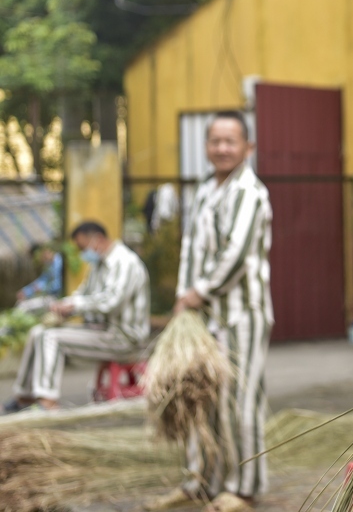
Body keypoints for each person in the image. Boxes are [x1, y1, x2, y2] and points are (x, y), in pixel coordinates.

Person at [146, 111, 273, 512]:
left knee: (239, 399)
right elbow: (191, 250)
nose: (221, 148)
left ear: (247, 147)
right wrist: (186, 298)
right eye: (214, 141)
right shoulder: (205, 191)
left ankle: (244, 487)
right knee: (201, 398)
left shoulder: (251, 193)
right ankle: (201, 482)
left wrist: (198, 292)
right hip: (204, 316)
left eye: (229, 141)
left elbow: (234, 256)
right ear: (205, 147)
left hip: (242, 315)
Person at [5, 222, 149, 412]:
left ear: (97, 240)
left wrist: (75, 306)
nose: (83, 253)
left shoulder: (125, 263)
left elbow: (110, 303)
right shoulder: (98, 265)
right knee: (38, 332)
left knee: (51, 338)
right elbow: (82, 295)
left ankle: (48, 401)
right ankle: (24, 395)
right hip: (102, 332)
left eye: (83, 248)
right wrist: (64, 305)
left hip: (123, 338)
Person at [15, 243, 64, 313]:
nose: (40, 260)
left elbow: (57, 285)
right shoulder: (49, 266)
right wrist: (25, 291)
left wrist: (42, 289)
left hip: (56, 298)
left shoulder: (60, 262)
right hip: (49, 297)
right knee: (20, 304)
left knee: (24, 307)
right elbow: (41, 281)